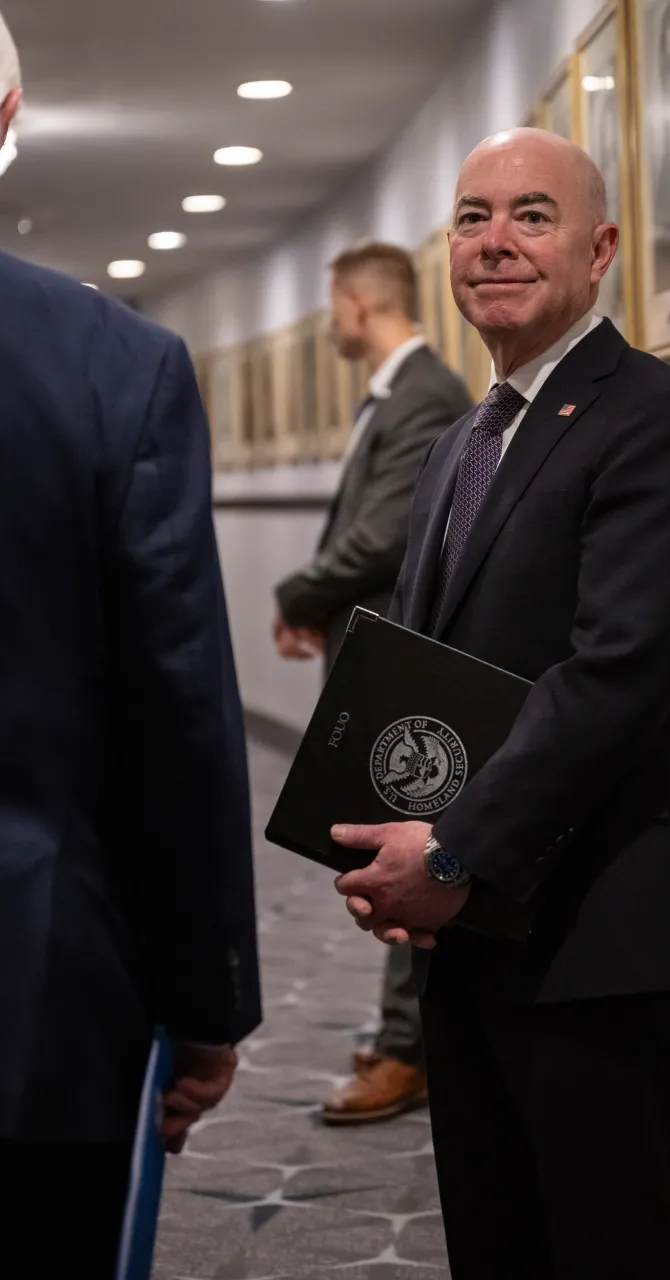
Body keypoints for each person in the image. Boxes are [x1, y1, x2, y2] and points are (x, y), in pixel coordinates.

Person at [330, 129, 670, 1278]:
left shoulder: (653, 421)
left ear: (601, 246)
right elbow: (427, 668)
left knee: (606, 1243)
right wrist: (386, 842)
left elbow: (613, 679)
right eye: (472, 218)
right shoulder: (467, 437)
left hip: (595, 932)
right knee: (498, 1234)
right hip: (474, 937)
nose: (495, 243)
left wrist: (453, 849)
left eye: (531, 214)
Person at [0, 15, 261, 1275]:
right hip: (33, 994)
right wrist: (206, 1000)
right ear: (5, 124)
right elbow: (179, 713)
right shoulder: (114, 366)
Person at [273, 242, 471, 1123]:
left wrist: (298, 593)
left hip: (403, 661)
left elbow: (385, 535)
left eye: (333, 304)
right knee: (387, 847)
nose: (330, 321)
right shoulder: (396, 393)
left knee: (404, 845)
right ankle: (409, 1035)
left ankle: (408, 1048)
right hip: (375, 650)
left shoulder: (426, 392)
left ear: (358, 303)